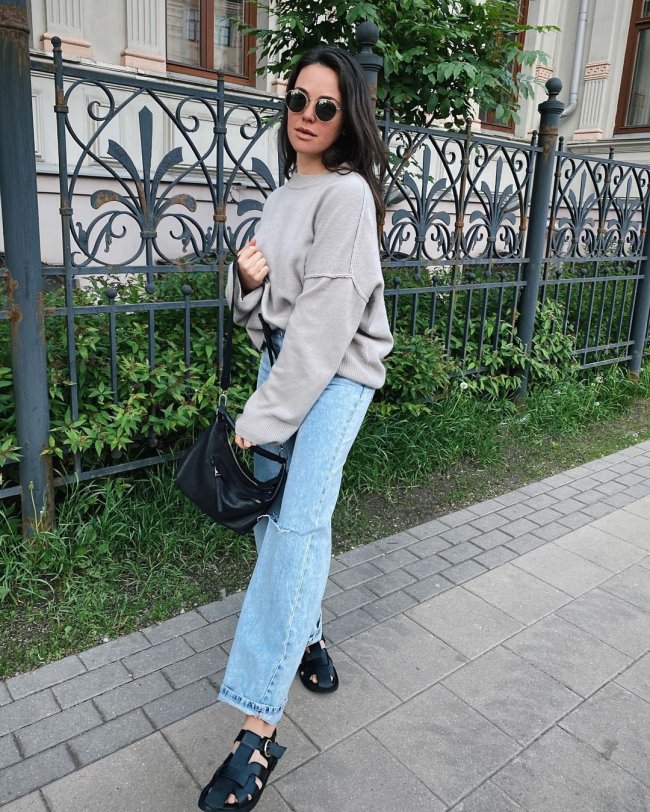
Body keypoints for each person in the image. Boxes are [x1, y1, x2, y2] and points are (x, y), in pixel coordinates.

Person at [198, 45, 393, 812]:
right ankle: (307, 635)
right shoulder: (282, 194)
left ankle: (256, 731)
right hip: (281, 369)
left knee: (292, 530)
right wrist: (245, 286)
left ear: (347, 119)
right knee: (279, 529)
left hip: (335, 379)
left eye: (325, 106)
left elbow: (324, 324)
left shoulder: (347, 196)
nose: (306, 117)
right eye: (297, 101)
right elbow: (261, 311)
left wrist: (260, 419)